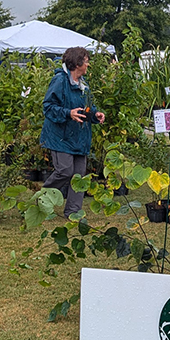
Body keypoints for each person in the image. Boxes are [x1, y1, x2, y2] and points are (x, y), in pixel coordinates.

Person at [40, 46, 106, 218]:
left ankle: (73, 212)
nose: (88, 65)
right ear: (77, 64)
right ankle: (41, 199)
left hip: (79, 137)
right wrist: (68, 113)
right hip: (60, 137)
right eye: (86, 62)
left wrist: (95, 115)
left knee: (79, 177)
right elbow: (48, 107)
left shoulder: (84, 84)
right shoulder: (60, 81)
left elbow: (87, 108)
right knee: (65, 171)